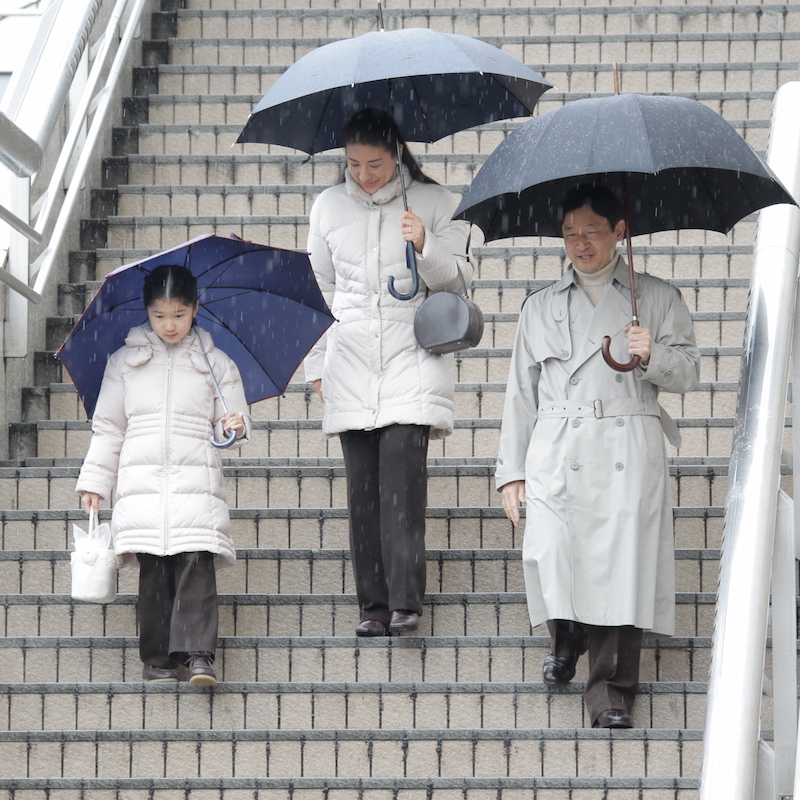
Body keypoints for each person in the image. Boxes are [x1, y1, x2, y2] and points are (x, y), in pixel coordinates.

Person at [496, 184, 700, 728]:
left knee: (620, 566)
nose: (579, 243)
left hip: (625, 446)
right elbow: (521, 392)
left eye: (591, 230)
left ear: (619, 230)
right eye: (569, 232)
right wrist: (510, 473)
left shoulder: (654, 296)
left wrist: (653, 353)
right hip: (557, 446)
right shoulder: (539, 307)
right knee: (555, 550)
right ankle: (568, 636)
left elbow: (689, 372)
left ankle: (610, 690)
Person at [303, 108, 472, 637]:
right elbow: (319, 289)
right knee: (363, 492)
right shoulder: (328, 207)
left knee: (401, 484)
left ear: (397, 153)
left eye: (374, 163)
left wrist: (426, 244)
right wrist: (315, 364)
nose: (363, 174)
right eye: (353, 164)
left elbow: (462, 280)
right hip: (349, 356)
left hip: (411, 357)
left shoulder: (434, 202)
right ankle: (371, 606)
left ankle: (405, 600)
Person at [76, 264, 251, 685]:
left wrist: (234, 427)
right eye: (159, 316)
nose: (169, 325)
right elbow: (109, 428)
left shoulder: (215, 364)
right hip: (143, 485)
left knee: (196, 563)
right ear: (146, 312)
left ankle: (198, 656)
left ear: (195, 309)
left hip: (196, 483)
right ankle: (156, 658)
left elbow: (228, 425)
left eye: (178, 314)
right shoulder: (125, 362)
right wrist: (96, 482)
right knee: (154, 569)